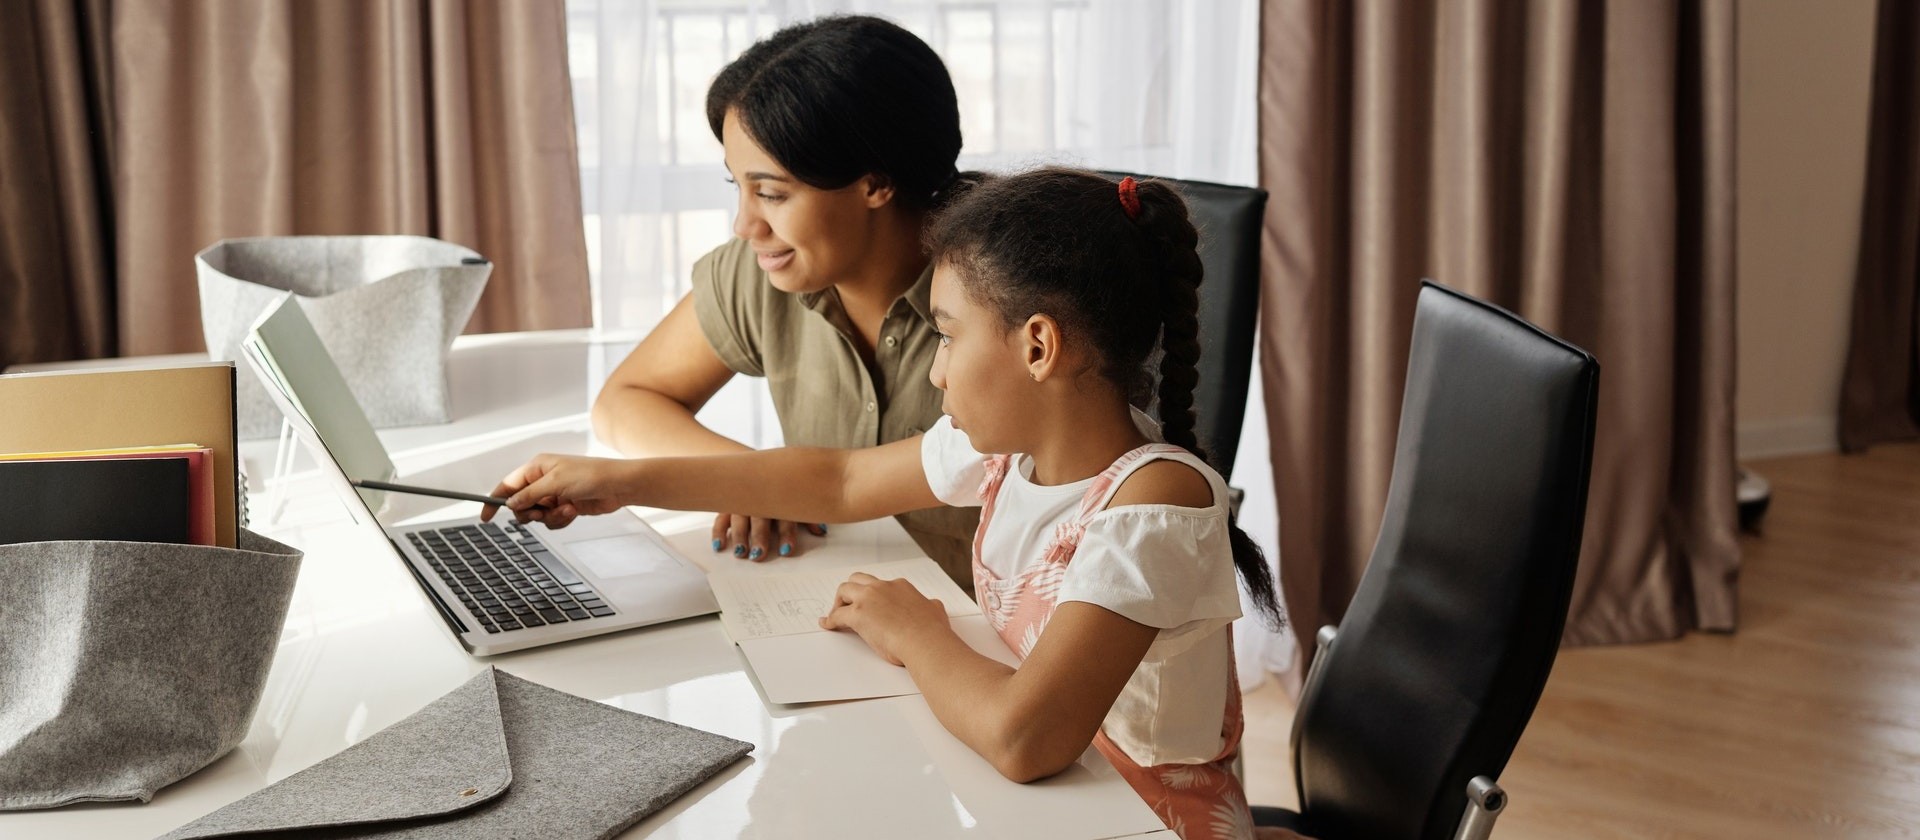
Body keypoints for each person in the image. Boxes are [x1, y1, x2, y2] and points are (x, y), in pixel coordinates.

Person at [485, 168, 1285, 839]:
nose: (935, 372)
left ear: (1038, 346)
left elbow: (1024, 739)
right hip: (1038, 809)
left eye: (947, 335)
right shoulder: (1006, 451)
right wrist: (617, 482)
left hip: (1137, 822)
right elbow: (837, 482)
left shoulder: (1151, 506)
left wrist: (915, 631)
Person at [589, 14, 979, 584]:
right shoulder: (769, 268)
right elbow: (624, 401)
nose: (745, 224)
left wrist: (764, 481)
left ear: (876, 183)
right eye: (737, 186)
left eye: (770, 193)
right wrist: (752, 480)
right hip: (837, 615)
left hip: (995, 643)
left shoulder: (1006, 296)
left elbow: (841, 484)